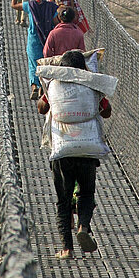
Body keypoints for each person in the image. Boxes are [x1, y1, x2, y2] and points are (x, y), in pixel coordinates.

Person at [36, 50, 115, 259]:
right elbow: (106, 112)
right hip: (88, 150)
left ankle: (66, 248)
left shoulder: (55, 86)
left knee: (63, 199)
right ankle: (83, 226)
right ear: (84, 68)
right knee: (87, 193)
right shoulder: (91, 85)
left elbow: (42, 108)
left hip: (62, 151)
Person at [11, 0, 57, 100]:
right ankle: (43, 87)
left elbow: (13, 5)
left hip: (33, 40)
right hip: (47, 40)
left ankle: (34, 87)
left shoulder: (29, 5)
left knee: (33, 63)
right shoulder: (51, 7)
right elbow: (57, 20)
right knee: (45, 62)